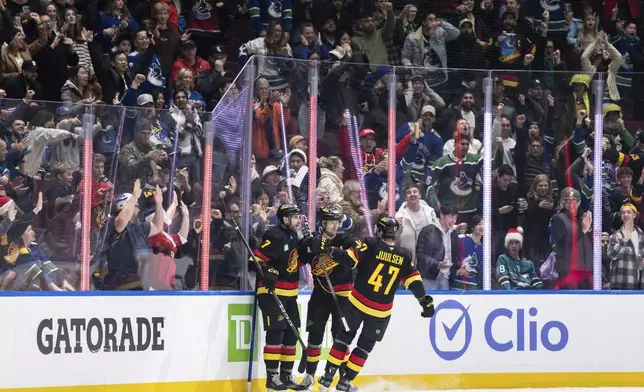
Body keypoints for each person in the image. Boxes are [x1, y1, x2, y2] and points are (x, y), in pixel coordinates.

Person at [317, 217, 435, 392]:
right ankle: (345, 381)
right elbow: (414, 282)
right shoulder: (404, 256)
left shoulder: (371, 245)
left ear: (380, 231)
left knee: (342, 340)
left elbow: (349, 260)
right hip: (380, 313)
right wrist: (424, 302)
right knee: (364, 348)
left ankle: (327, 378)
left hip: (357, 304)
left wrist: (328, 249)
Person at [251, 203, 309, 391]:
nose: (298, 220)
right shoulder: (274, 235)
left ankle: (286, 375)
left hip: (291, 294)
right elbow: (255, 260)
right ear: (284, 219)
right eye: (294, 217)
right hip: (271, 293)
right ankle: (272, 377)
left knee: (292, 334)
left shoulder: (294, 236)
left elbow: (296, 261)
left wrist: (311, 249)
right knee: (276, 333)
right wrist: (267, 271)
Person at [300, 207, 359, 389]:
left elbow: (353, 260)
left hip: (343, 297)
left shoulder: (346, 239)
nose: (334, 225)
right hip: (320, 295)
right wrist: (307, 245)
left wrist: (330, 249)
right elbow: (299, 259)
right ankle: (309, 377)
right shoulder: (314, 241)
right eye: (331, 222)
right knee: (315, 336)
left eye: (336, 222)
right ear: (323, 223)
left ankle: (343, 378)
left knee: (340, 338)